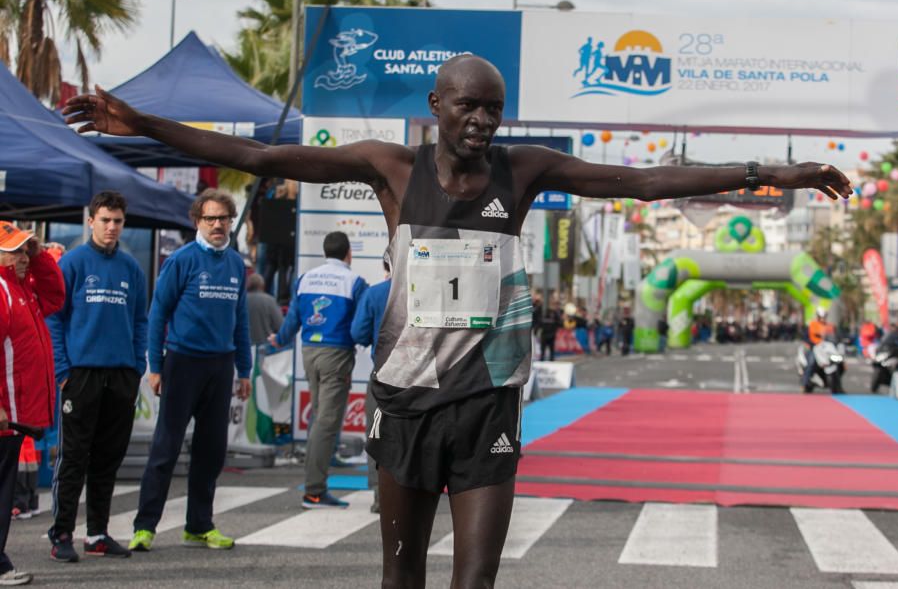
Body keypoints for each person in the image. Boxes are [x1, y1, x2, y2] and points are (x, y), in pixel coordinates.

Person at [64, 55, 851, 588]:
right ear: (436, 105)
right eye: (468, 106)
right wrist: (134, 118)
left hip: (487, 403)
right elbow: (258, 158)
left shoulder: (527, 168)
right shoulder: (391, 167)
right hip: (405, 401)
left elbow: (643, 181)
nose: (482, 120)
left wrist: (774, 172)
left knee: (475, 580)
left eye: (494, 109)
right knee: (399, 577)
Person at [128, 189, 251, 553]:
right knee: (165, 448)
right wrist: (155, 365)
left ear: (231, 222)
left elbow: (240, 321)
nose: (217, 225)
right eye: (210, 218)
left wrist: (244, 370)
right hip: (182, 362)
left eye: (223, 218)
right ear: (197, 221)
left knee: (211, 452)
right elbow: (158, 314)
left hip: (221, 364)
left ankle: (199, 525)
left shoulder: (235, 264)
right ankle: (144, 527)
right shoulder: (181, 261)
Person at [46, 191, 149, 562]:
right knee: (73, 457)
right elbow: (54, 319)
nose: (111, 227)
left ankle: (97, 534)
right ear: (91, 220)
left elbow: (141, 320)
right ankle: (61, 534)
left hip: (120, 375)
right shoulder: (72, 263)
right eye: (105, 220)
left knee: (108, 458)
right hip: (81, 375)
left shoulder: (130, 267)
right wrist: (63, 371)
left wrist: (137, 366)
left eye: (117, 221)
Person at [269, 231, 367, 509]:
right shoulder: (354, 281)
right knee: (327, 422)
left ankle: (315, 482)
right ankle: (314, 490)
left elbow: (292, 320)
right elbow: (361, 324)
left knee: (319, 418)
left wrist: (279, 339)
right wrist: (362, 342)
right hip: (336, 353)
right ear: (348, 253)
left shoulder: (306, 278)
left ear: (325, 252)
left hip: (308, 352)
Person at [0, 222, 65, 585]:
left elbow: (56, 296)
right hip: (5, 412)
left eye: (26, 249)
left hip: (16, 412)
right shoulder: (3, 290)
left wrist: (40, 256)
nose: (23, 256)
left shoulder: (21, 288)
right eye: (16, 250)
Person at [351, 260, 392, 514]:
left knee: (377, 435)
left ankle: (380, 495)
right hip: (421, 376)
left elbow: (358, 332)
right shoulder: (423, 290)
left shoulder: (375, 293)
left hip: (383, 373)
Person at [802, 307, 834, 392]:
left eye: (824, 317)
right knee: (811, 363)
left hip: (826, 349)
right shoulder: (812, 324)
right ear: (818, 317)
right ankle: (805, 384)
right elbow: (806, 337)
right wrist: (811, 344)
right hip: (815, 348)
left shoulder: (828, 326)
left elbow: (834, 336)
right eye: (822, 317)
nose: (823, 319)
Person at [246, 273, 283, 346]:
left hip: (244, 345)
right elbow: (280, 325)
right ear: (262, 286)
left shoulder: (240, 301)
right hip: (265, 347)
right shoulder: (270, 301)